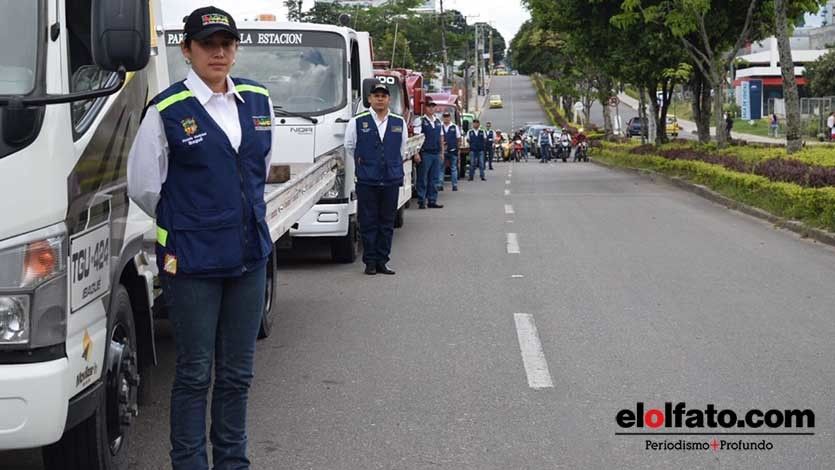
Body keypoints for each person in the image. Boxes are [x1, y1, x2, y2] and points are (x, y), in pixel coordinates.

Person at [127, 7, 274, 469]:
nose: (219, 52)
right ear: (186, 50)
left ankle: (233, 462)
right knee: (194, 374)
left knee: (237, 375)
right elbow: (145, 187)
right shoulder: (166, 111)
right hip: (192, 264)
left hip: (249, 258)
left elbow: (258, 170)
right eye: (208, 43)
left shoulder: (257, 100)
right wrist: (196, 222)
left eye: (227, 43)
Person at [344, 83, 407, 275]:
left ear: (389, 99)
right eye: (376, 95)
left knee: (387, 222)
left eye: (384, 96)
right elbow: (349, 146)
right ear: (369, 99)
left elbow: (401, 149)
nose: (380, 99)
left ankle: (382, 260)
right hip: (367, 180)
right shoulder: (357, 121)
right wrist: (365, 164)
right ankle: (370, 261)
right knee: (368, 221)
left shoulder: (398, 122)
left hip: (390, 179)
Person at [414, 100, 444, 209]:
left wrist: (442, 152)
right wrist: (416, 153)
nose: (431, 108)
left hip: (436, 153)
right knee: (422, 178)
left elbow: (441, 138)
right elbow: (416, 138)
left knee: (434, 178)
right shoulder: (420, 120)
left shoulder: (438, 121)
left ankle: (432, 200)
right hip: (425, 153)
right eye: (429, 106)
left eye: (433, 106)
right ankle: (421, 200)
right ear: (425, 108)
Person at [441, 111, 462, 191]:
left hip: (453, 150)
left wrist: (458, 149)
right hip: (443, 151)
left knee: (453, 168)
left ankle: (454, 185)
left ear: (450, 118)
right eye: (445, 117)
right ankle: (440, 184)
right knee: (441, 168)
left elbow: (458, 139)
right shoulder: (440, 126)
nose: (446, 118)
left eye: (448, 117)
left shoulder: (454, 127)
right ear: (443, 118)